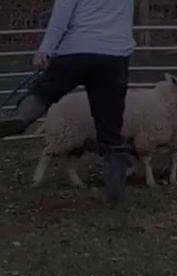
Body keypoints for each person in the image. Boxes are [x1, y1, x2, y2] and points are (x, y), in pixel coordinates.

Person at [0, 0, 136, 209]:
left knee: (44, 91)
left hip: (75, 49)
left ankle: (21, 118)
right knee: (110, 129)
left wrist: (46, 48)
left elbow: (61, 13)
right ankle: (114, 193)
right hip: (113, 55)